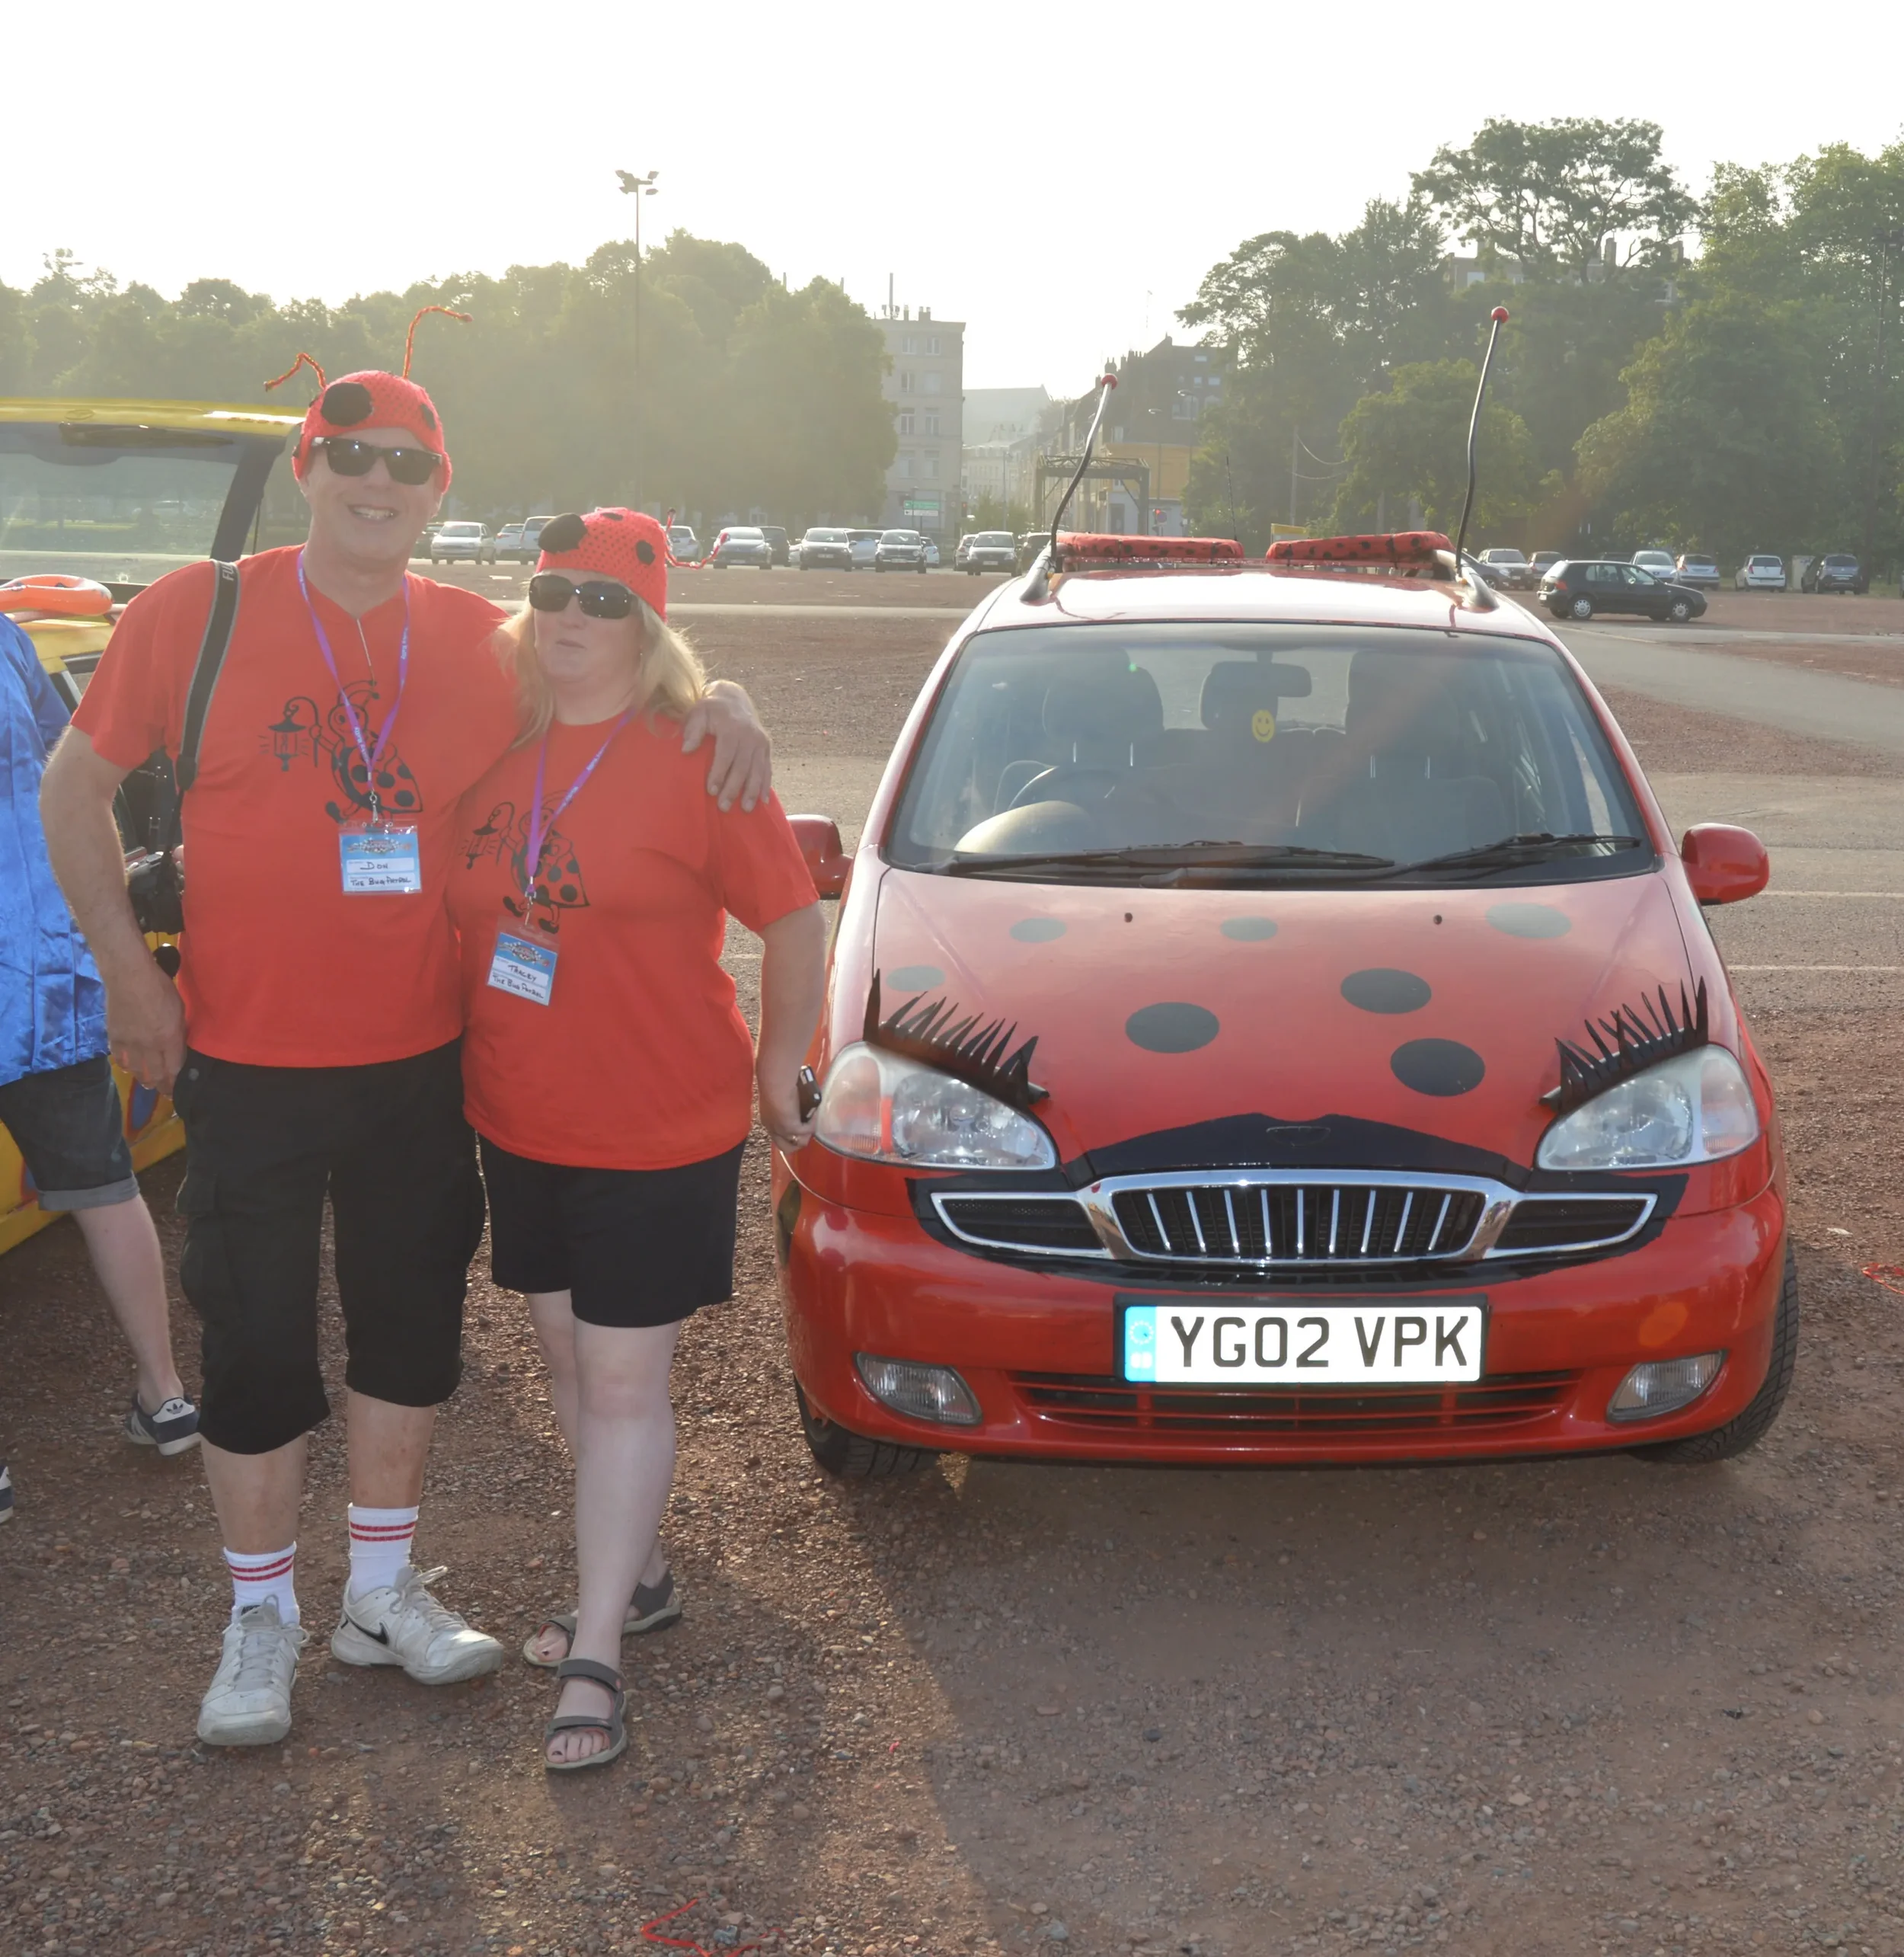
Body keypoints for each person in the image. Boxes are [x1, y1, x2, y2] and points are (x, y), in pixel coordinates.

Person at [40, 358, 772, 1747]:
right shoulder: (199, 612)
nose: (377, 482)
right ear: (307, 466)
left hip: (426, 1062)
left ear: (440, 493)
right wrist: (130, 978)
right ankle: (261, 1616)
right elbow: (73, 787)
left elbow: (620, 667)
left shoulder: (487, 638)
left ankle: (379, 1588)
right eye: (350, 454)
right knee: (255, 1342)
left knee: (409, 1335)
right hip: (246, 1061)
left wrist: (729, 696)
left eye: (409, 466)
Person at [448, 509, 825, 1769]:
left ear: (646, 623)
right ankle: (647, 1569)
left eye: (605, 601)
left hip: (660, 1123)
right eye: (553, 589)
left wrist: (782, 1060)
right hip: (521, 1112)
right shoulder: (493, 735)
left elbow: (794, 916)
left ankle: (600, 1645)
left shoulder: (700, 754)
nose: (571, 616)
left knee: (620, 1383)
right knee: (565, 1357)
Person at [0, 611, 200, 1526]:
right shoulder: (6, 637)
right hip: (40, 975)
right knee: (107, 1193)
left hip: (37, 972)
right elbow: (72, 781)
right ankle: (164, 1396)